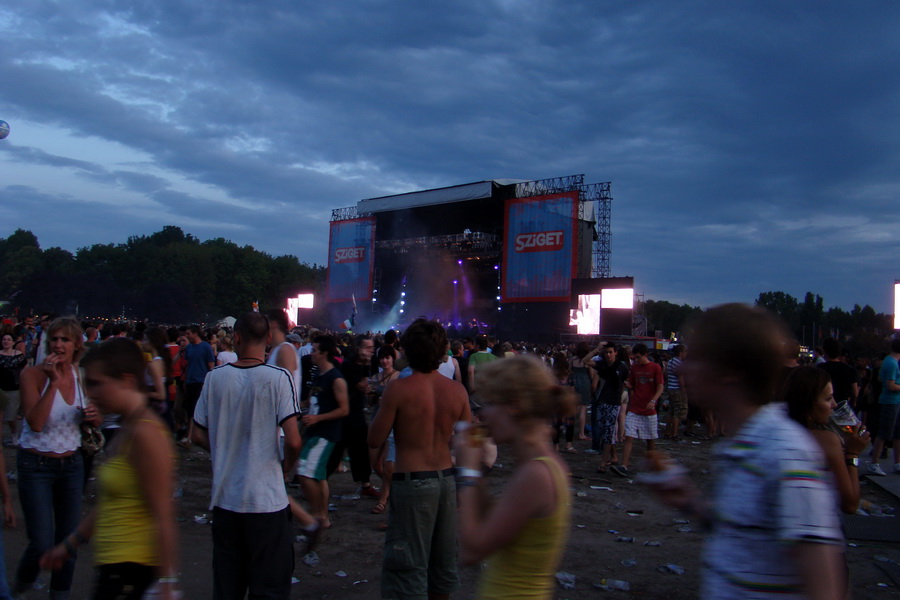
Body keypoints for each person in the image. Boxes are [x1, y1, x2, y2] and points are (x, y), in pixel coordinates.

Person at [651, 304, 845, 600]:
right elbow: (750, 536)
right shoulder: (741, 446)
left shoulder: (785, 454)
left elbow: (825, 586)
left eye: (698, 356)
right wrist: (691, 504)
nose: (685, 366)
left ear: (729, 371)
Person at [40, 338, 179, 599]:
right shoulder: (129, 428)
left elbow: (163, 513)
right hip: (115, 569)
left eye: (96, 383)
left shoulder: (146, 434)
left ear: (126, 380)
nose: (91, 393)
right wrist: (69, 545)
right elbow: (110, 502)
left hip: (132, 573)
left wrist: (167, 583)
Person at [191, 312, 303, 600]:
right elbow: (293, 440)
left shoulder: (215, 378)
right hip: (267, 502)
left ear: (236, 338)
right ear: (268, 339)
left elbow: (196, 434)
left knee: (228, 587)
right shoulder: (278, 378)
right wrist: (285, 469)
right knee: (269, 589)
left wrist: (224, 449)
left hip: (227, 501)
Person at [454, 356, 573, 599]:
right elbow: (490, 523)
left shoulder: (535, 475)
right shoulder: (538, 466)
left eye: (489, 403)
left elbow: (472, 550)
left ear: (514, 406)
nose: (483, 414)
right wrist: (476, 469)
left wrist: (466, 471)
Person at [368, 319, 470, 600]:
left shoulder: (399, 389)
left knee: (408, 568)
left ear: (407, 350)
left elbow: (375, 439)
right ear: (442, 353)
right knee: (442, 566)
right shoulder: (457, 391)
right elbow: (466, 445)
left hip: (412, 482)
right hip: (446, 481)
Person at [14, 317, 102, 598]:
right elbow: (36, 423)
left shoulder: (81, 376)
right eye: (54, 339)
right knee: (40, 542)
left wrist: (93, 416)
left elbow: (97, 418)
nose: (58, 345)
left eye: (65, 339)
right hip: (35, 464)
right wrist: (52, 383)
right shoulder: (32, 375)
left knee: (68, 541)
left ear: (77, 344)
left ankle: (59, 594)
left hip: (72, 464)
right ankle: (20, 587)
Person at [784, 366, 870, 514]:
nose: (834, 405)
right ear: (808, 403)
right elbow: (850, 505)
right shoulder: (826, 440)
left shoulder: (780, 432)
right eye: (828, 398)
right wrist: (852, 454)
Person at [299, 334, 349, 527]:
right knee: (318, 476)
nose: (311, 353)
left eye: (314, 350)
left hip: (325, 434)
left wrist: (317, 418)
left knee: (305, 472)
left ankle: (317, 516)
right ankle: (322, 516)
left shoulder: (336, 378)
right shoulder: (319, 376)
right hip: (314, 432)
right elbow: (310, 402)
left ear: (324, 353)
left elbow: (344, 409)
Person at [615, 343, 663, 476]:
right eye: (635, 358)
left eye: (638, 357)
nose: (636, 360)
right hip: (635, 407)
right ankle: (624, 466)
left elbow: (660, 387)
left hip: (649, 409)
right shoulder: (635, 368)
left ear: (645, 355)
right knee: (629, 436)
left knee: (650, 439)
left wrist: (654, 401)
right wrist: (627, 384)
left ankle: (652, 466)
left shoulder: (655, 367)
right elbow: (632, 384)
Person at [867, 338, 900, 477]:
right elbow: (891, 385)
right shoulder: (893, 363)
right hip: (890, 402)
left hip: (894, 401)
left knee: (898, 433)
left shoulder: (887, 360)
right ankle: (874, 463)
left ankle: (898, 463)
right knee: (884, 433)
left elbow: (881, 379)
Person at [179, 325, 214, 448]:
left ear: (195, 333)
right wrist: (185, 380)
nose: (187, 336)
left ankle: (191, 436)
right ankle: (190, 436)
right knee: (190, 410)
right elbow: (188, 365)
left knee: (197, 410)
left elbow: (211, 366)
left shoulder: (205, 347)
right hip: (190, 381)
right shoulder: (189, 348)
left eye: (188, 333)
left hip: (201, 381)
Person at [0, 331, 27, 447]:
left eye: (8, 339)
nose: (6, 341)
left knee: (11, 416)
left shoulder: (19, 356)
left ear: (13, 342)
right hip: (1, 388)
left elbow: (25, 370)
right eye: (4, 339)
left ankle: (14, 435)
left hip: (14, 389)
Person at [569, 342, 597, 441]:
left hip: (574, 384)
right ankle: (581, 433)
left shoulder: (572, 360)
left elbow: (570, 373)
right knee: (583, 410)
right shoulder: (587, 361)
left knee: (572, 409)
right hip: (585, 384)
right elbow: (592, 374)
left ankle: (568, 430)